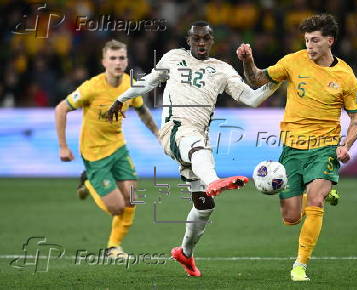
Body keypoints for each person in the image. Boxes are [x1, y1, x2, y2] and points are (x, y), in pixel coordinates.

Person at [106, 21, 280, 276]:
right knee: (196, 146)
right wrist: (120, 99)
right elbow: (148, 82)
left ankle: (185, 253)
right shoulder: (173, 58)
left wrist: (277, 80)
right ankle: (214, 180)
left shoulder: (222, 70)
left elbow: (252, 98)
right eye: (196, 39)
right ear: (188, 40)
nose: (200, 43)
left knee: (204, 205)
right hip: (174, 130)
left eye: (205, 39)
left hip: (197, 140)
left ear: (212, 41)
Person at [237, 14, 357, 281]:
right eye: (307, 40)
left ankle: (300, 265)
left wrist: (345, 144)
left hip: (325, 147)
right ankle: (324, 190)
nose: (310, 46)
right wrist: (248, 61)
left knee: (315, 201)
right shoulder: (293, 61)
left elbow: (356, 118)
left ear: (330, 41)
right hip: (292, 148)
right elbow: (257, 80)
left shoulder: (346, 76)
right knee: (291, 217)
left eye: (315, 40)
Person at [55, 39, 159, 258]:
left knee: (131, 199)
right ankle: (87, 181)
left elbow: (142, 110)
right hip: (94, 154)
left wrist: (158, 134)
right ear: (104, 62)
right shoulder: (91, 88)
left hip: (118, 147)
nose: (118, 62)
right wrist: (63, 147)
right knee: (117, 208)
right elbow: (60, 109)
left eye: (121, 57)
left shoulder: (130, 85)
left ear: (126, 60)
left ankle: (113, 247)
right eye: (113, 58)